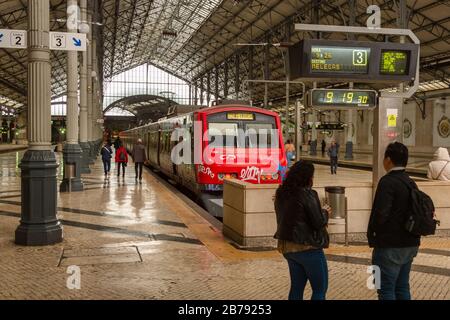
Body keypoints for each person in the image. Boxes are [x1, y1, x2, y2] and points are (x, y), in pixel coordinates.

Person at [367, 142, 420, 300]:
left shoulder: (387, 182)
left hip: (389, 246)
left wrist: (373, 236)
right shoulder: (411, 182)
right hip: (410, 244)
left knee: (384, 290)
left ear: (388, 160)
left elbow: (380, 215)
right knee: (402, 287)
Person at [274, 161, 331, 300]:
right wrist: (325, 212)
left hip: (288, 247)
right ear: (308, 177)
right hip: (308, 247)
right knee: (319, 289)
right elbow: (318, 222)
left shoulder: (281, 193)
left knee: (296, 288)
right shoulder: (308, 194)